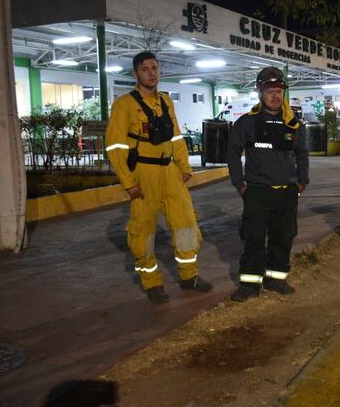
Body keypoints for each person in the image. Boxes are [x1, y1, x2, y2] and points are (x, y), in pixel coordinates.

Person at [105, 51, 212, 304]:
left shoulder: (165, 101)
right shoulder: (124, 105)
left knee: (186, 222)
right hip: (143, 173)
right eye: (145, 69)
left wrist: (184, 166)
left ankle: (189, 277)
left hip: (170, 172)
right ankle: (151, 283)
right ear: (135, 74)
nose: (151, 73)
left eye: (155, 68)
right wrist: (128, 182)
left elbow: (175, 137)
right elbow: (115, 146)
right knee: (144, 230)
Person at [227, 67, 309, 302]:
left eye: (279, 91)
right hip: (257, 192)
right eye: (270, 91)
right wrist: (240, 184)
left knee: (283, 237)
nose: (275, 96)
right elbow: (233, 153)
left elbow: (302, 154)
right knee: (254, 239)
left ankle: (276, 279)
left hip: (287, 192)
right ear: (260, 93)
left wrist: (301, 182)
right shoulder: (247, 123)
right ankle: (249, 285)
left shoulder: (293, 124)